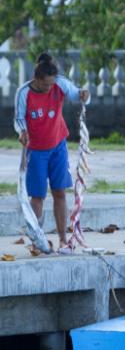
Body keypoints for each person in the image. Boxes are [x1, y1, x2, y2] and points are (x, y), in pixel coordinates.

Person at [14, 52, 89, 251]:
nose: (49, 88)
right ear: (36, 79)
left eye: (52, 84)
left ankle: (63, 239)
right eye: (46, 85)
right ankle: (37, 241)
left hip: (58, 147)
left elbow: (77, 94)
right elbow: (19, 119)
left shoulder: (59, 84)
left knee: (60, 192)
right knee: (37, 196)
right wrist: (22, 132)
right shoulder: (23, 93)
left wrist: (84, 94)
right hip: (35, 151)